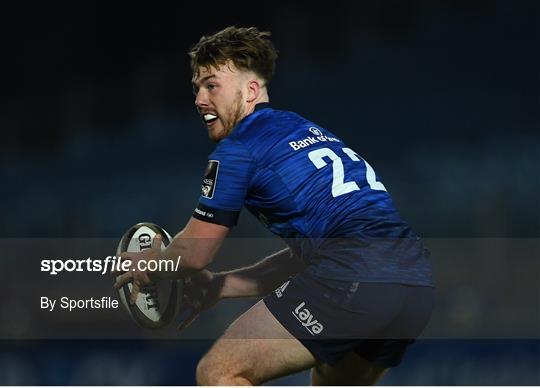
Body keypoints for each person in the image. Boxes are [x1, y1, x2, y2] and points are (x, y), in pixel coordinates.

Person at [115, 26, 435, 385]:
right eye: (197, 88)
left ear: (251, 90)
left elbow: (194, 253)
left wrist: (152, 264)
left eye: (211, 85)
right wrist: (222, 286)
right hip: (414, 282)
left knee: (220, 372)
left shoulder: (239, 149)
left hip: (352, 273)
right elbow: (313, 252)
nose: (200, 99)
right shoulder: (301, 129)